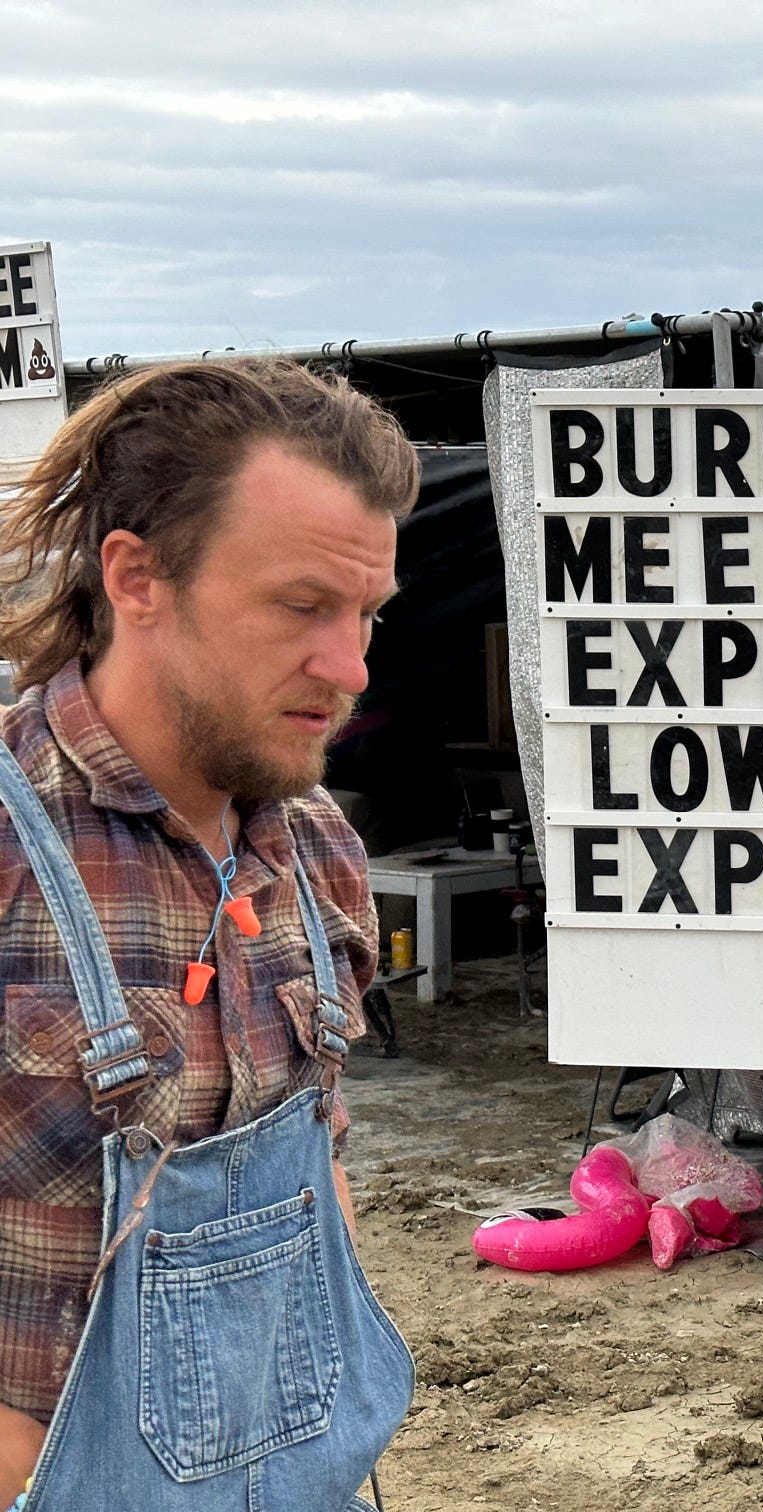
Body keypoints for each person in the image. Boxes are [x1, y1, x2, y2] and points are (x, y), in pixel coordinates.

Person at [0, 359, 418, 1508]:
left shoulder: (317, 848)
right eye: (301, 606)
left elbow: (312, 1168)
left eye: (367, 615)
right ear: (138, 578)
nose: (351, 668)